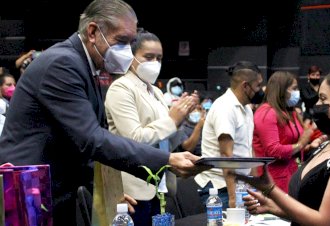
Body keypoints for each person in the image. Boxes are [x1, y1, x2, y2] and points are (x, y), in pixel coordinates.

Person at [0, 1, 204, 225]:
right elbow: (91, 140)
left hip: (52, 188)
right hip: (29, 191)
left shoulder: (88, 68)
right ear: (93, 32)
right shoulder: (63, 64)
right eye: (122, 41)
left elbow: (78, 143)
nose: (127, 51)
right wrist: (166, 160)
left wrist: (107, 189)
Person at [237, 66, 330, 226]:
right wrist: (273, 207)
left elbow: (324, 222)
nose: (318, 104)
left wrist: (270, 189)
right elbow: (309, 212)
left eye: (323, 99)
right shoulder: (326, 146)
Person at [104, 29, 197, 225]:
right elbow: (134, 139)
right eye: (148, 57)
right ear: (131, 56)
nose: (155, 63)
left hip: (159, 185)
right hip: (132, 189)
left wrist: (180, 119)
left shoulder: (155, 91)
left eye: (159, 58)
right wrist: (172, 120)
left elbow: (165, 139)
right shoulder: (121, 88)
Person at [195, 61, 264, 208]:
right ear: (245, 86)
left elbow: (247, 150)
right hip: (219, 190)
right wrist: (233, 199)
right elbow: (227, 156)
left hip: (238, 186)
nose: (260, 90)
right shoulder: (225, 108)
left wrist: (252, 185)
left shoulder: (246, 110)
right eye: (258, 85)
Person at [253, 71, 318, 193]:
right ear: (281, 90)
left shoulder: (290, 112)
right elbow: (274, 150)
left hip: (291, 176)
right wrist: (301, 144)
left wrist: (308, 147)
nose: (297, 92)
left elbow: (292, 145)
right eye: (294, 88)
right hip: (273, 181)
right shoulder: (267, 113)